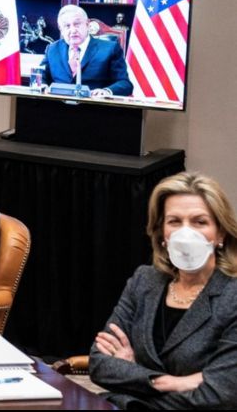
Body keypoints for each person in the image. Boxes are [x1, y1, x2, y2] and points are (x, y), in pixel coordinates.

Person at [89, 172, 237, 409]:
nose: (186, 234)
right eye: (174, 221)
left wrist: (134, 374)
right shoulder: (144, 280)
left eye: (200, 222)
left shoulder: (232, 296)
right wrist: (167, 382)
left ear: (220, 234)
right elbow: (100, 363)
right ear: (162, 235)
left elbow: (222, 391)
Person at [41, 4, 132, 97]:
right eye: (67, 26)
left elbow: (125, 83)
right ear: (61, 30)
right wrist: (42, 86)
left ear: (87, 25)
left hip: (93, 107)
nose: (73, 30)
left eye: (77, 24)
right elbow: (40, 75)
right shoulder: (52, 49)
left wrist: (106, 91)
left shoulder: (110, 49)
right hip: (57, 107)